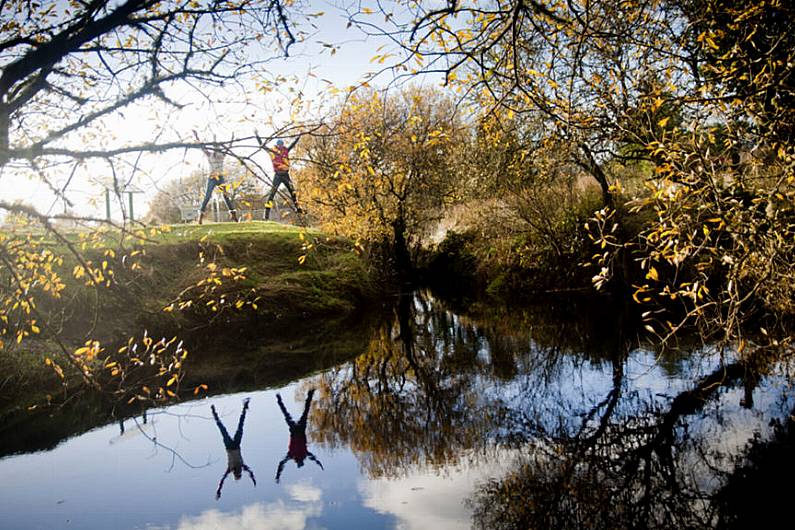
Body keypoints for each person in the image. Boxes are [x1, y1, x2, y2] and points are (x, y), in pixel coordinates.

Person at [274, 388, 323, 483]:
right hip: (298, 431)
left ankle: (280, 399)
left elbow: (282, 463)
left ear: (298, 461)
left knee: (299, 413)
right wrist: (318, 463)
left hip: (296, 431)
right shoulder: (298, 455)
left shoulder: (293, 455)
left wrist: (278, 474)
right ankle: (309, 394)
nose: (299, 460)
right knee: (296, 413)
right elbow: (313, 458)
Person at [211, 398, 256, 499]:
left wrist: (219, 490)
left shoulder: (230, 469)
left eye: (238, 473)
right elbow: (250, 472)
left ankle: (214, 413)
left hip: (229, 447)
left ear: (235, 473)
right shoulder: (242, 466)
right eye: (239, 473)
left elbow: (222, 480)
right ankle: (244, 407)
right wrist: (253, 479)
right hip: (236, 445)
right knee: (240, 426)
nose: (239, 472)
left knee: (222, 429)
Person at [194, 130, 238, 224]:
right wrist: (196, 136)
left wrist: (232, 139)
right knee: (207, 196)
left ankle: (233, 215)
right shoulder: (210, 155)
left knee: (225, 195)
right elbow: (202, 147)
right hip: (212, 178)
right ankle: (200, 217)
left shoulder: (222, 155)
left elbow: (229, 148)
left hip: (220, 177)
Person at [256, 133, 302, 220]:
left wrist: (298, 136)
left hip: (285, 174)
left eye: (282, 145)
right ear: (277, 145)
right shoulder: (272, 151)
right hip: (277, 175)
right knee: (272, 194)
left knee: (293, 191)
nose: (281, 146)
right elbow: (263, 146)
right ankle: (266, 214)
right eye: (279, 145)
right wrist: (257, 136)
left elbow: (292, 144)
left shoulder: (286, 150)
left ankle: (298, 208)